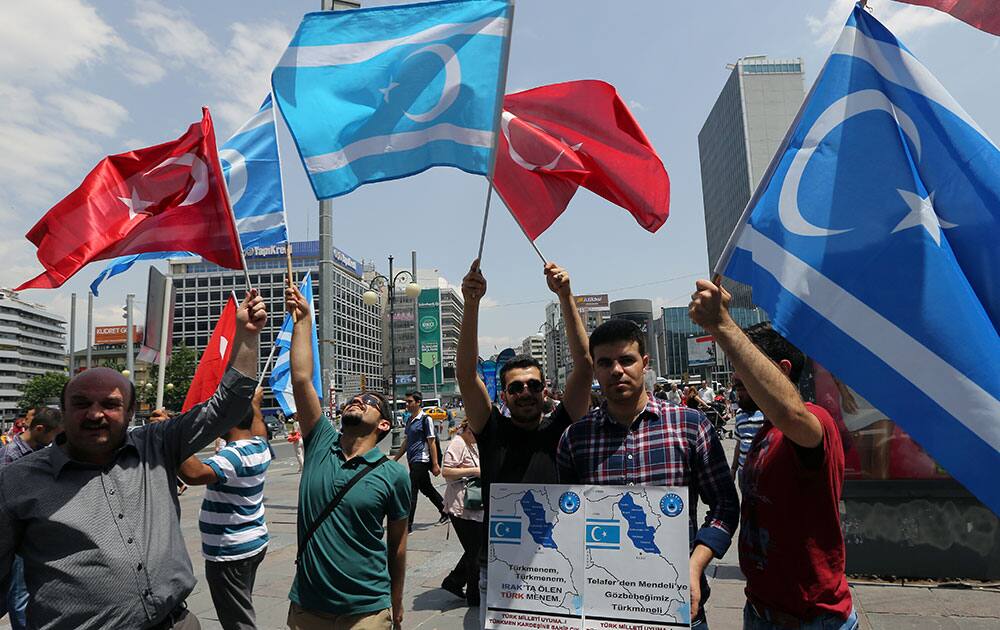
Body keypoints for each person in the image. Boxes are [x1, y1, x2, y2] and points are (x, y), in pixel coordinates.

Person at [0, 291, 265, 630]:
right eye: (81, 403)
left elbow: (227, 405)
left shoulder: (155, 445)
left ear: (128, 414)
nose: (95, 414)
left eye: (110, 404)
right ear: (63, 412)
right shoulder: (18, 481)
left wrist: (248, 335)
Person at [689, 280, 856, 629]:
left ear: (780, 370)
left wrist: (722, 325)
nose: (736, 377)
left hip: (812, 620)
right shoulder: (766, 430)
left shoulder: (811, 422)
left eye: (745, 366)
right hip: (762, 611)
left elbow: (791, 414)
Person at [557, 319, 739, 628]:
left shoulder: (690, 426)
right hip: (602, 609)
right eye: (605, 363)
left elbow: (725, 505)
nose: (616, 370)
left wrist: (695, 566)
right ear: (596, 371)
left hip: (678, 604)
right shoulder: (576, 439)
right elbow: (564, 521)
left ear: (645, 363)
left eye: (626, 360)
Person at [456, 258, 593, 627]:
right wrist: (471, 304)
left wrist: (565, 297)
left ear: (546, 389)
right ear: (503, 394)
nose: (526, 392)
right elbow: (467, 376)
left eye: (534, 384)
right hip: (501, 569)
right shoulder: (492, 429)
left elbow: (584, 366)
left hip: (560, 564)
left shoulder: (562, 427)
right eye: (516, 387)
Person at [283, 285, 409, 630]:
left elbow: (397, 547)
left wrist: (395, 604)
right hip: (307, 608)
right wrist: (304, 322)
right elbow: (301, 379)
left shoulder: (393, 476)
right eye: (357, 397)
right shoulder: (321, 441)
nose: (359, 400)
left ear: (384, 424)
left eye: (371, 402)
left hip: (366, 611)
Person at [177, 387, 271, 630]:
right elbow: (259, 426)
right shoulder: (259, 448)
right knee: (241, 603)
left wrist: (170, 434)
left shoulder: (233, 456)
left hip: (230, 551)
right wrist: (256, 405)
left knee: (237, 620)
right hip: (253, 543)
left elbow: (195, 474)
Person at [0, 407, 61, 630]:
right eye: (54, 435)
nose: (55, 440)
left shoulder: (41, 451)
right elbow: (7, 503)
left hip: (34, 532)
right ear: (39, 429)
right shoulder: (11, 456)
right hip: (17, 537)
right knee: (19, 596)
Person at [439, 418, 483, 607]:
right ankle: (474, 596)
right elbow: (446, 472)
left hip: (474, 505)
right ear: (467, 429)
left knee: (476, 548)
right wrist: (475, 471)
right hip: (460, 506)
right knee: (475, 552)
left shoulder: (472, 444)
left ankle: (454, 580)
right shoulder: (457, 443)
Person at [392, 390, 447, 531]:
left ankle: (408, 525)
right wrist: (395, 458)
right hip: (412, 460)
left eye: (410, 402)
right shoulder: (409, 420)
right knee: (427, 489)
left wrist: (435, 464)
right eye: (406, 402)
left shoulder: (425, 419)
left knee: (412, 490)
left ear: (418, 402)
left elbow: (432, 442)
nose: (407, 404)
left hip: (421, 460)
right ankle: (446, 512)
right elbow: (406, 442)